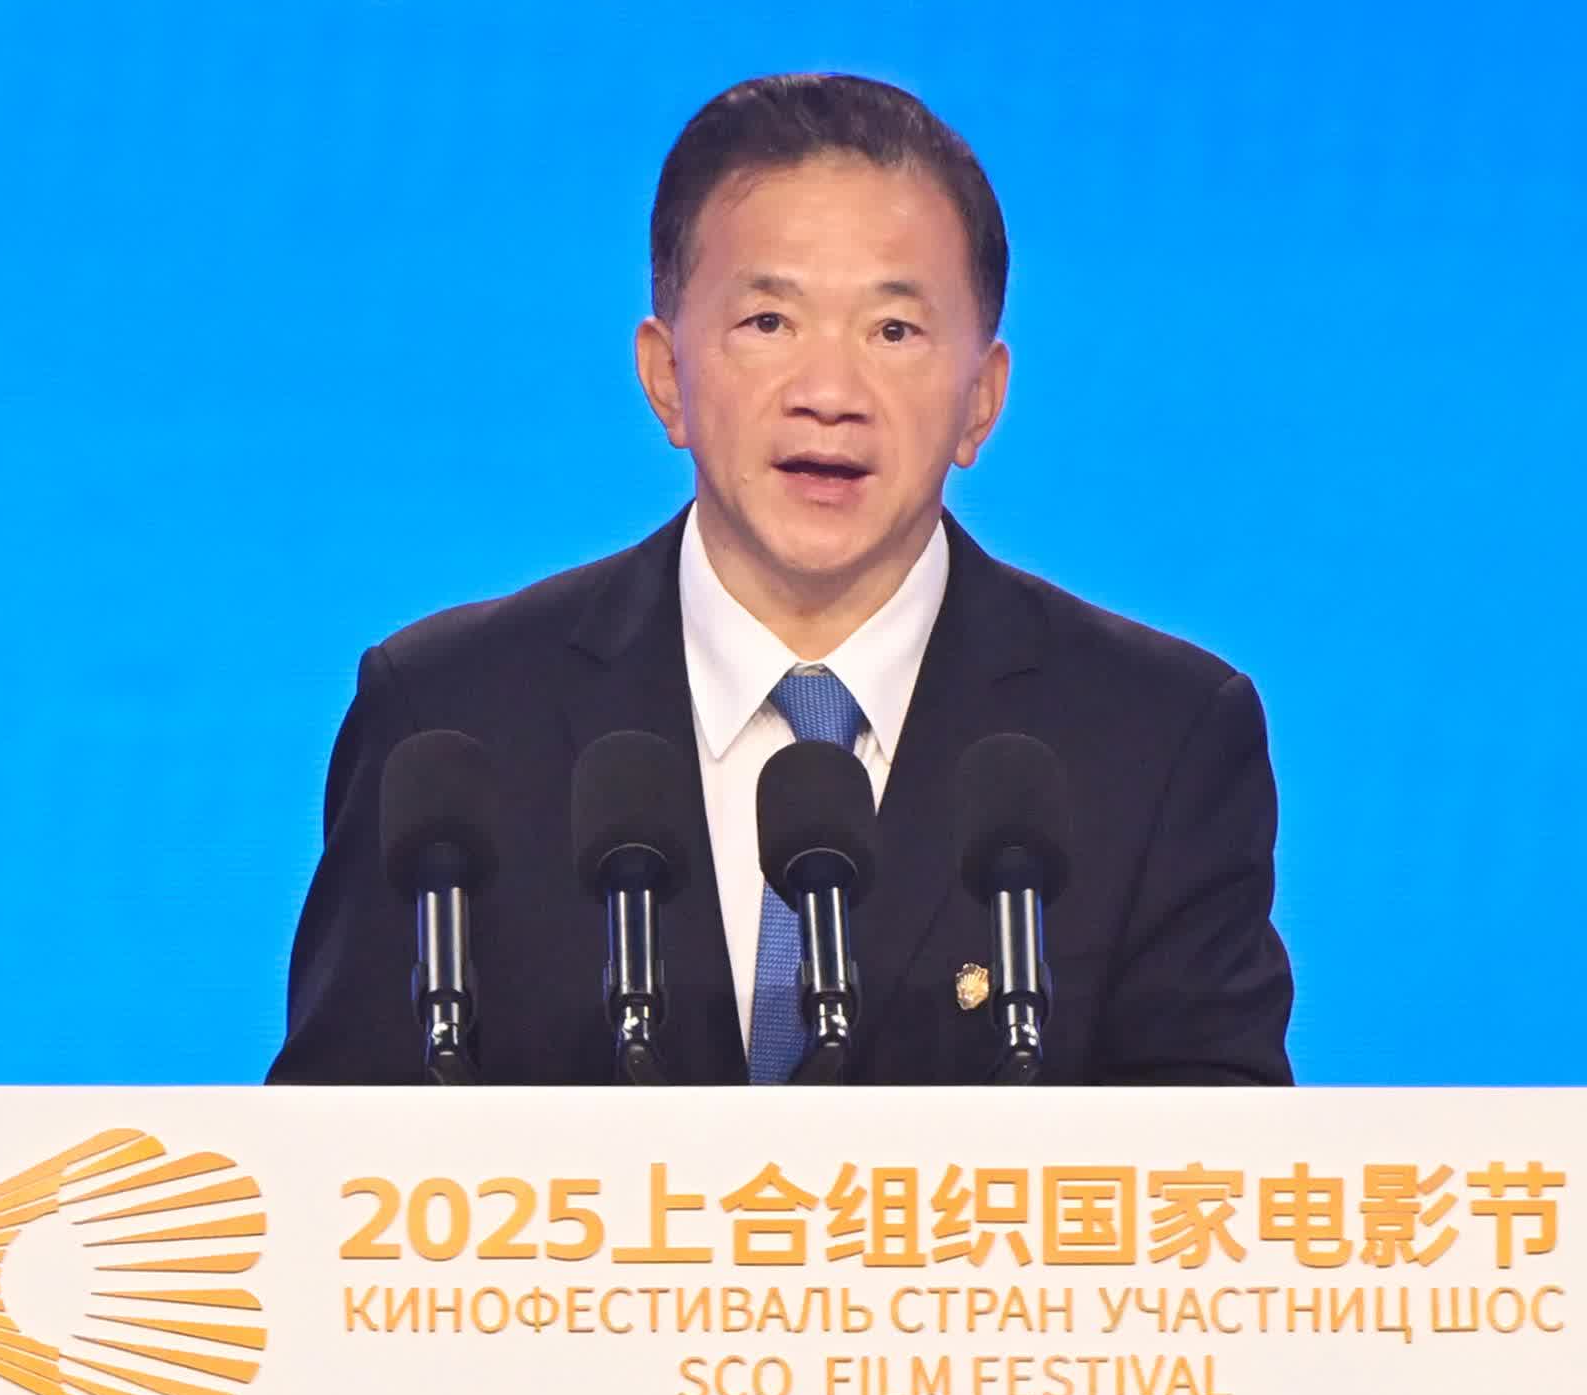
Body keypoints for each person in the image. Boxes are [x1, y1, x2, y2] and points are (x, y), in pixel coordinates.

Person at [272, 73, 1292, 1086]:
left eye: (893, 331)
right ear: (666, 377)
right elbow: (323, 1151)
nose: (829, 393)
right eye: (768, 322)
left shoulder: (1158, 738)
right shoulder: (451, 717)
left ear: (981, 400)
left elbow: (1221, 1156)